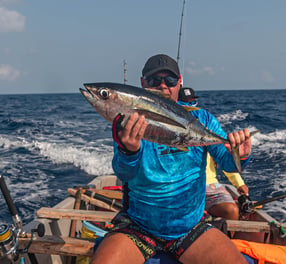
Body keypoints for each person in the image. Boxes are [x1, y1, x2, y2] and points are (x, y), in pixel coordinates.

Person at [92, 54, 252, 264]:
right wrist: (130, 151)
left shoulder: (202, 119)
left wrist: (241, 155)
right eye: (153, 80)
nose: (163, 86)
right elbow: (124, 173)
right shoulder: (126, 124)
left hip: (189, 227)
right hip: (139, 226)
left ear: (180, 82)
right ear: (142, 84)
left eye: (169, 80)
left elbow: (228, 162)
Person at [178, 87, 249, 221]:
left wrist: (239, 183)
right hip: (180, 187)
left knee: (232, 210)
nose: (187, 105)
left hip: (209, 185)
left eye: (191, 102)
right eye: (183, 102)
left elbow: (223, 158)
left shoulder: (204, 123)